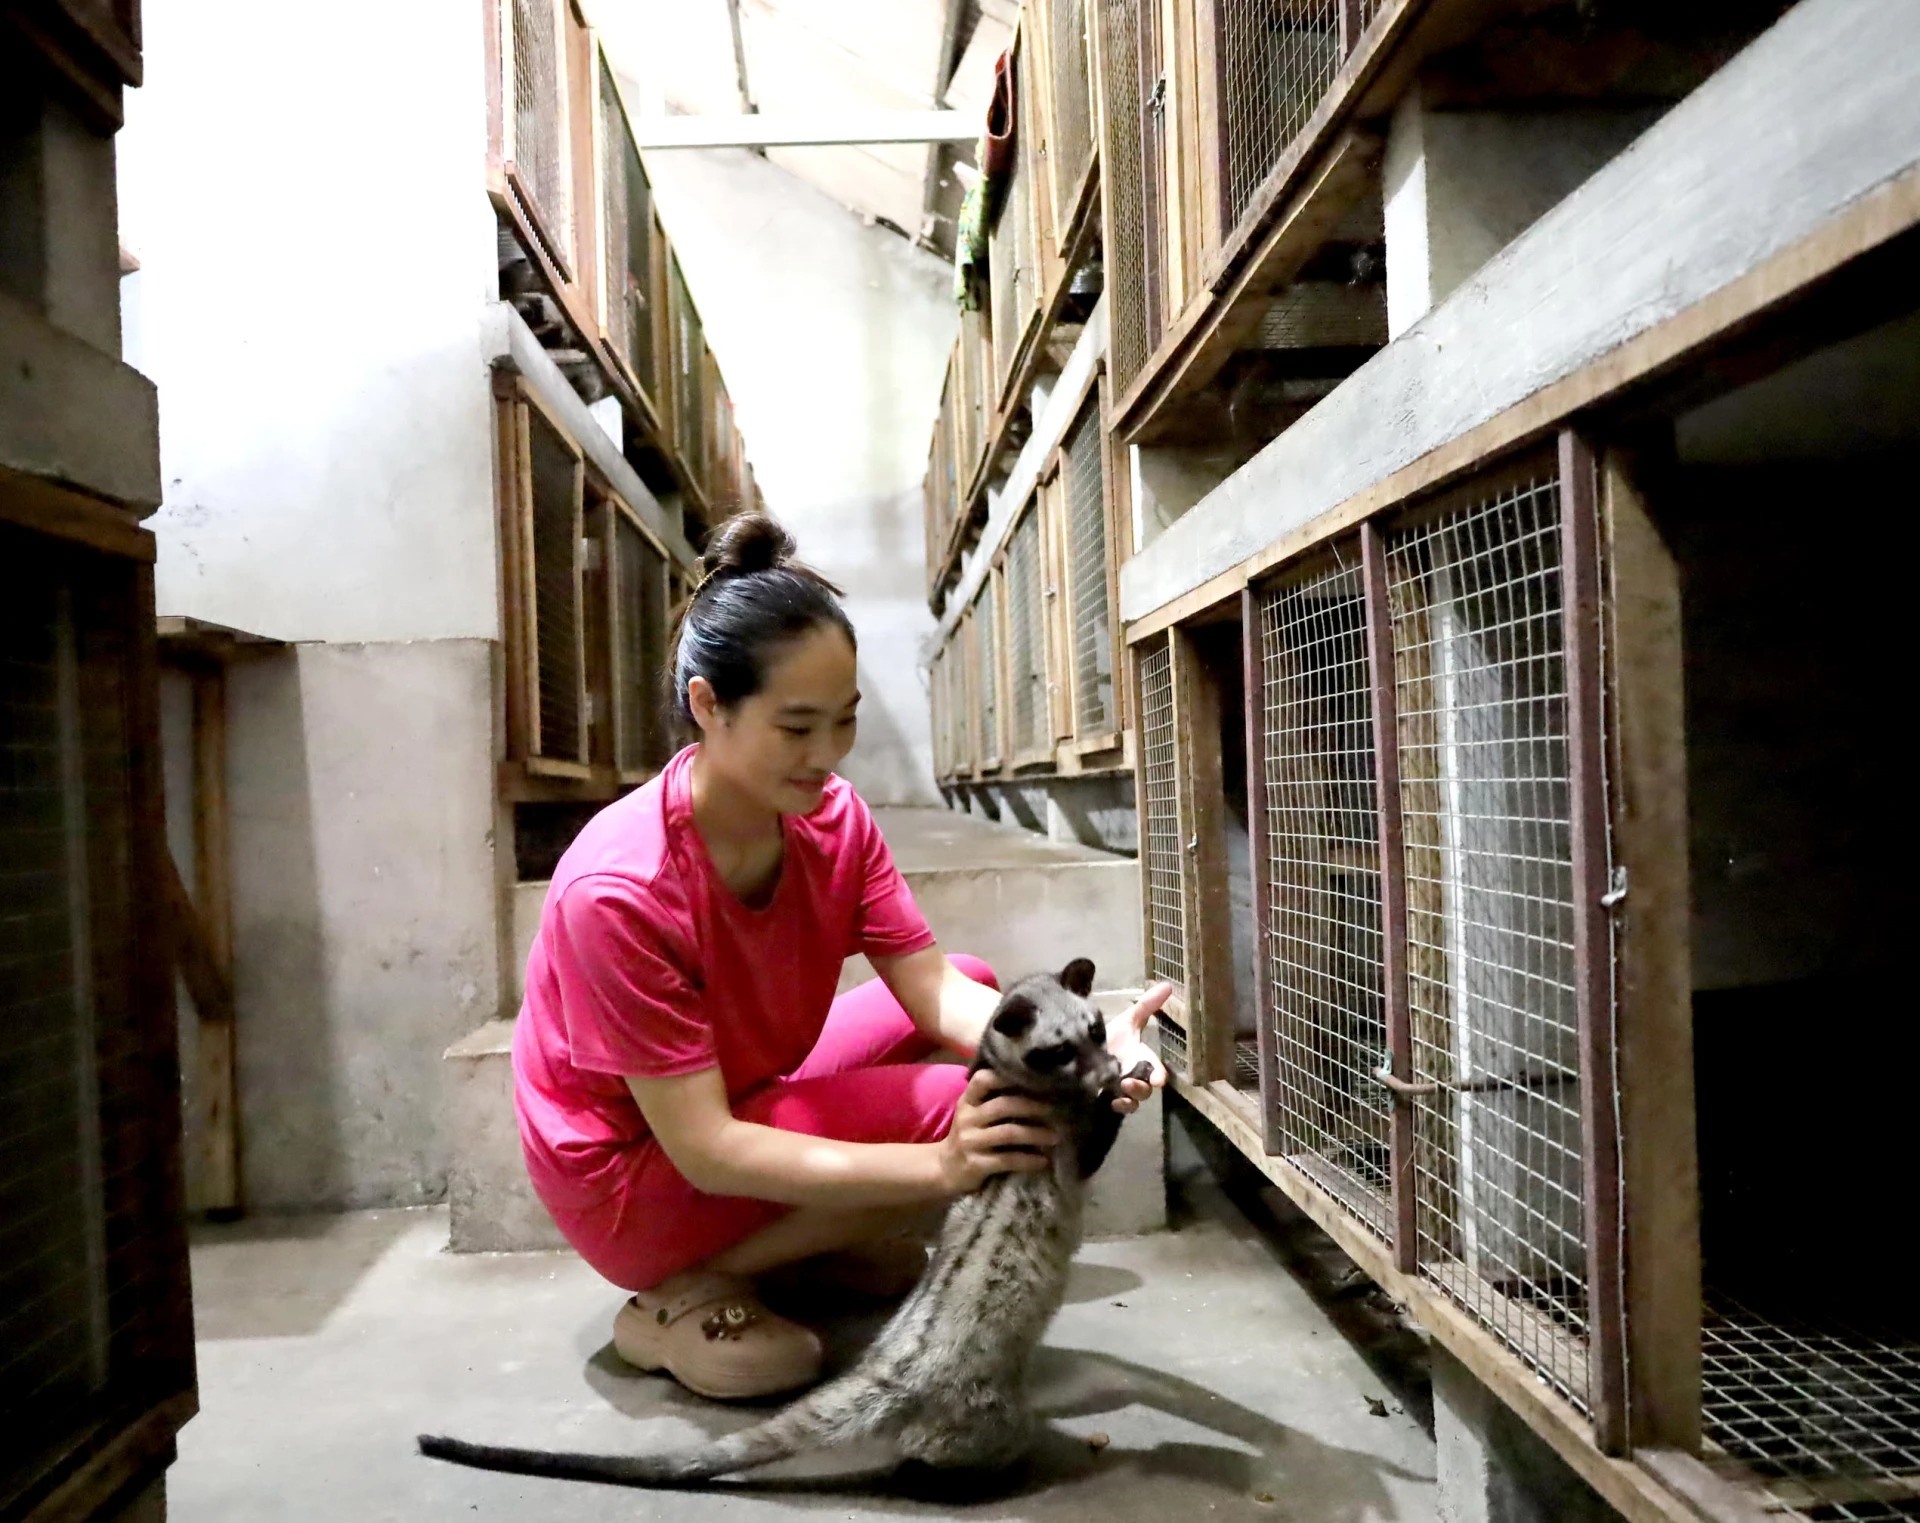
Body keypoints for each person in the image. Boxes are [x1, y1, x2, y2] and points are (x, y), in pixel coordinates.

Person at [512, 512, 1170, 1401]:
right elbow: (704, 1147)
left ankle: (794, 1247)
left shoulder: (832, 816)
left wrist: (1088, 1049)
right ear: (708, 705)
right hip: (630, 1173)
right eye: (796, 727)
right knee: (965, 1115)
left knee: (986, 999)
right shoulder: (622, 887)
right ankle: (681, 1290)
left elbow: (936, 989)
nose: (827, 756)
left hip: (732, 1094)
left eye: (845, 720)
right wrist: (939, 1166)